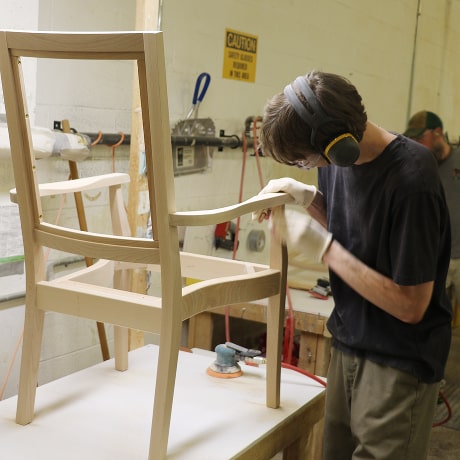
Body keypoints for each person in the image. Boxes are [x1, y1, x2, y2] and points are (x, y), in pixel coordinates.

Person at [256, 71, 452, 460]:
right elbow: (356, 229)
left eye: (302, 160)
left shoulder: (413, 179)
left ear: (339, 146)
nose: (304, 165)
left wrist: (325, 250)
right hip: (348, 341)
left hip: (397, 358)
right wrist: (307, 197)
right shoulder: (336, 159)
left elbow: (411, 305)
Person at [404, 110, 460, 325]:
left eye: (421, 138)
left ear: (438, 133)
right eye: (413, 139)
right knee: (433, 321)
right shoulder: (421, 167)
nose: (417, 144)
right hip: (437, 259)